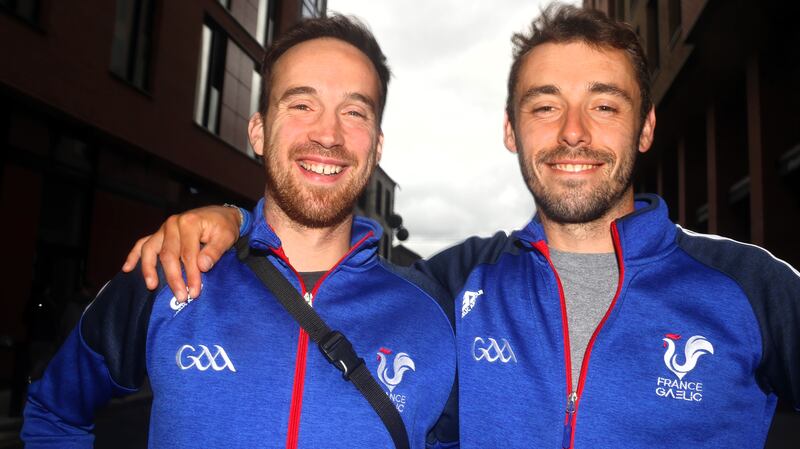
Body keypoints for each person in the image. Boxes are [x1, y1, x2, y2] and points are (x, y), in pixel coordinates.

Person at [124, 4, 800, 449]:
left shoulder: (751, 287)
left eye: (604, 105)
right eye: (544, 107)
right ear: (511, 131)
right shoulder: (454, 282)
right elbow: (320, 271)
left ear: (646, 126)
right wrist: (232, 221)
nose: (572, 132)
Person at [21, 16, 456, 449]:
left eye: (354, 112)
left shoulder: (430, 313)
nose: (328, 133)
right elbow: (54, 413)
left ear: (376, 147)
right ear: (259, 132)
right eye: (302, 105)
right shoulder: (174, 268)